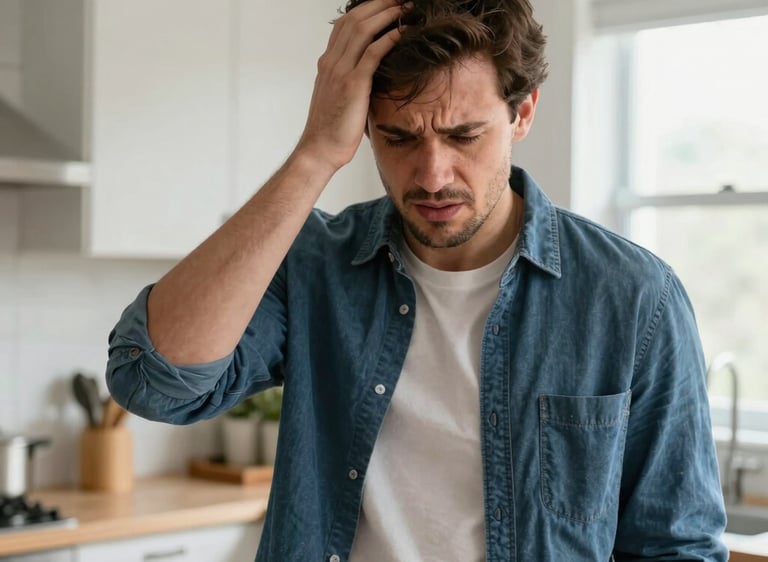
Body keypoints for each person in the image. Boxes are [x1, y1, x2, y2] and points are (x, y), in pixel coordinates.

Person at [106, 0, 728, 560]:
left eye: (464, 135)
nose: (432, 175)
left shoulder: (632, 296)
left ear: (523, 113)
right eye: (399, 137)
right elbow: (156, 383)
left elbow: (678, 547)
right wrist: (316, 151)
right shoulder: (315, 267)